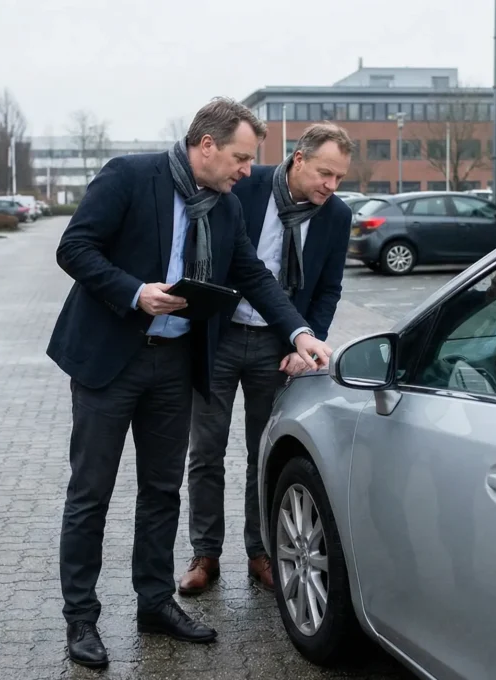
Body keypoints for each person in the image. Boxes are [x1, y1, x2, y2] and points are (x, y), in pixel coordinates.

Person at [46, 96, 336, 669]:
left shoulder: (225, 207)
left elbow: (252, 274)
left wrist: (300, 333)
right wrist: (135, 292)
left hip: (175, 363)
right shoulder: (131, 176)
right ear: (206, 146)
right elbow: (74, 247)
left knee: (162, 490)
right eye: (240, 157)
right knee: (91, 493)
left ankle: (154, 602)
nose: (246, 171)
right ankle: (81, 617)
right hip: (112, 360)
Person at [178, 122, 354, 596]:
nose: (330, 186)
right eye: (324, 173)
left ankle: (261, 552)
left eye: (339, 178)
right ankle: (205, 554)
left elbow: (329, 289)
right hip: (221, 336)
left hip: (278, 349)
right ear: (298, 159)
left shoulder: (336, 216)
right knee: (206, 451)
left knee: (266, 452)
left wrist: (306, 342)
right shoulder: (245, 186)